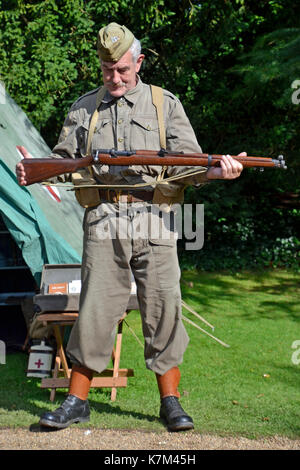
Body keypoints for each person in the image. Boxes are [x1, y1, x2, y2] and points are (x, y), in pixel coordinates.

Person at [16, 23, 243, 431]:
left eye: (122, 69)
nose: (115, 78)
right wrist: (36, 170)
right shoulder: (84, 108)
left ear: (138, 62)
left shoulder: (164, 104)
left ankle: (170, 402)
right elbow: (60, 161)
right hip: (103, 220)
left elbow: (188, 163)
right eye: (107, 71)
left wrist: (216, 172)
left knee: (164, 309)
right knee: (95, 312)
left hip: (156, 219)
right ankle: (76, 401)